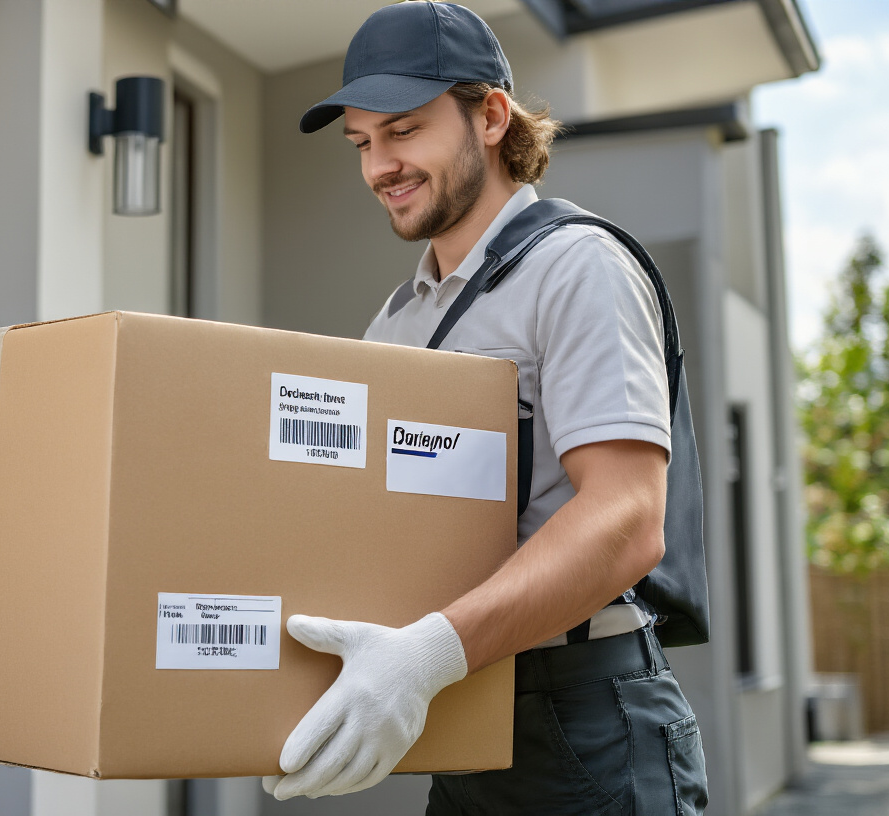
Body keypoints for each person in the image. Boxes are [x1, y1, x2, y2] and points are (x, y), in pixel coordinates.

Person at [260, 3, 710, 814]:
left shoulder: (578, 269)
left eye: (403, 130)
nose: (378, 167)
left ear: (492, 116)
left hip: (586, 721)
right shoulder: (398, 320)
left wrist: (426, 656)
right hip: (461, 711)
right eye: (362, 144)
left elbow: (627, 518)